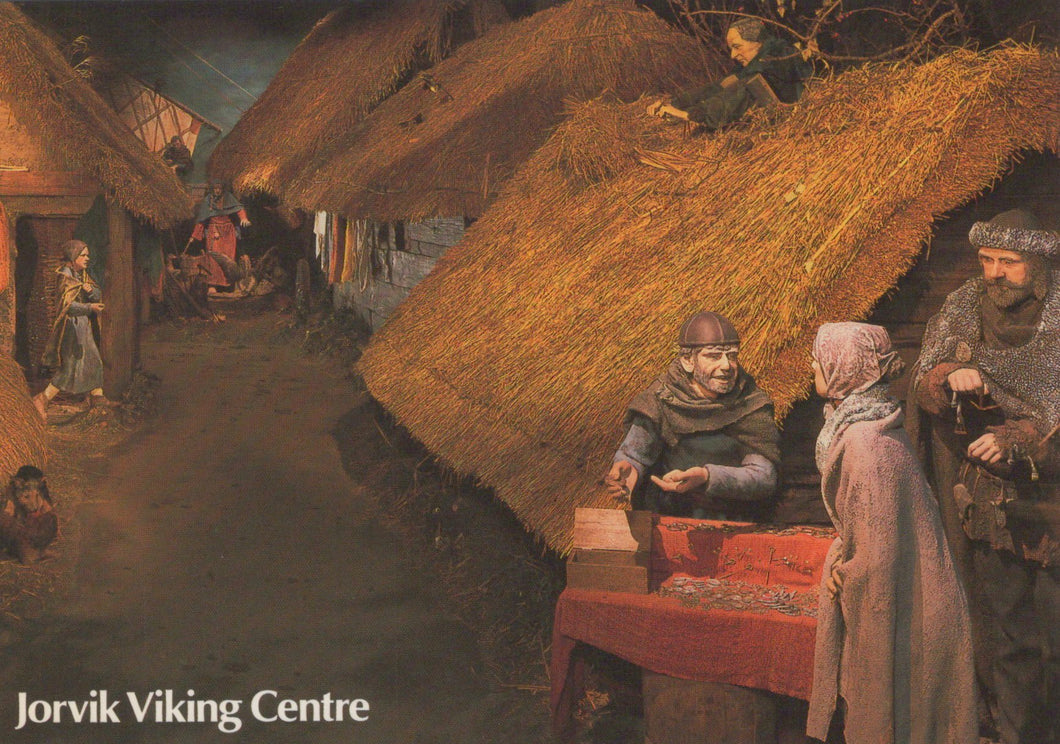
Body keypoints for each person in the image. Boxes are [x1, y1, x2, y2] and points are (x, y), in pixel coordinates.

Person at [910, 208, 1060, 744]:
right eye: (987, 259)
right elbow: (925, 381)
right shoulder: (966, 304)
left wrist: (1017, 439)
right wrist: (951, 375)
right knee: (1011, 642)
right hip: (997, 510)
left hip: (1054, 507)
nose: (994, 272)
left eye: (1009, 262)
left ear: (1039, 264)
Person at [806, 322, 977, 744]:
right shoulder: (877, 417)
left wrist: (848, 571)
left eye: (819, 360)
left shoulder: (867, 443)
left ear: (843, 366)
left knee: (888, 707)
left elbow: (877, 548)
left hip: (895, 593)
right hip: (912, 588)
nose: (813, 367)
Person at [604, 310, 780, 519]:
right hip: (668, 522)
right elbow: (635, 457)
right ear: (688, 361)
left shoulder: (751, 404)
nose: (726, 366)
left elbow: (765, 477)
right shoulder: (658, 401)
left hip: (735, 526)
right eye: (713, 356)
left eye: (731, 355)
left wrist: (707, 476)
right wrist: (627, 471)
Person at [647, 17, 810, 130]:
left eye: (737, 47)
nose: (732, 55)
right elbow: (720, 87)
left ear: (757, 42)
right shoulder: (756, 62)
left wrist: (690, 114)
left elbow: (739, 95)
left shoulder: (774, 61)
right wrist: (675, 104)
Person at [33, 240, 114, 420]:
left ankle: (97, 399)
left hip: (83, 326)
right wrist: (89, 308)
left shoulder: (81, 275)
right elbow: (67, 306)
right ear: (72, 256)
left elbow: (97, 293)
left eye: (87, 255)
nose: (87, 258)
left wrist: (90, 290)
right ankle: (42, 399)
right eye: (83, 255)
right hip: (71, 328)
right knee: (69, 367)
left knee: (93, 360)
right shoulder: (65, 276)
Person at [188, 182, 250, 290]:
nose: (217, 190)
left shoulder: (228, 197)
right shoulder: (208, 200)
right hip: (213, 230)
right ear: (212, 189)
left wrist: (244, 218)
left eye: (219, 188)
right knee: (213, 257)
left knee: (228, 258)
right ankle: (213, 284)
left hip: (228, 232)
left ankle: (229, 284)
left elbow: (239, 209)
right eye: (215, 188)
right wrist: (194, 235)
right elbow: (202, 220)